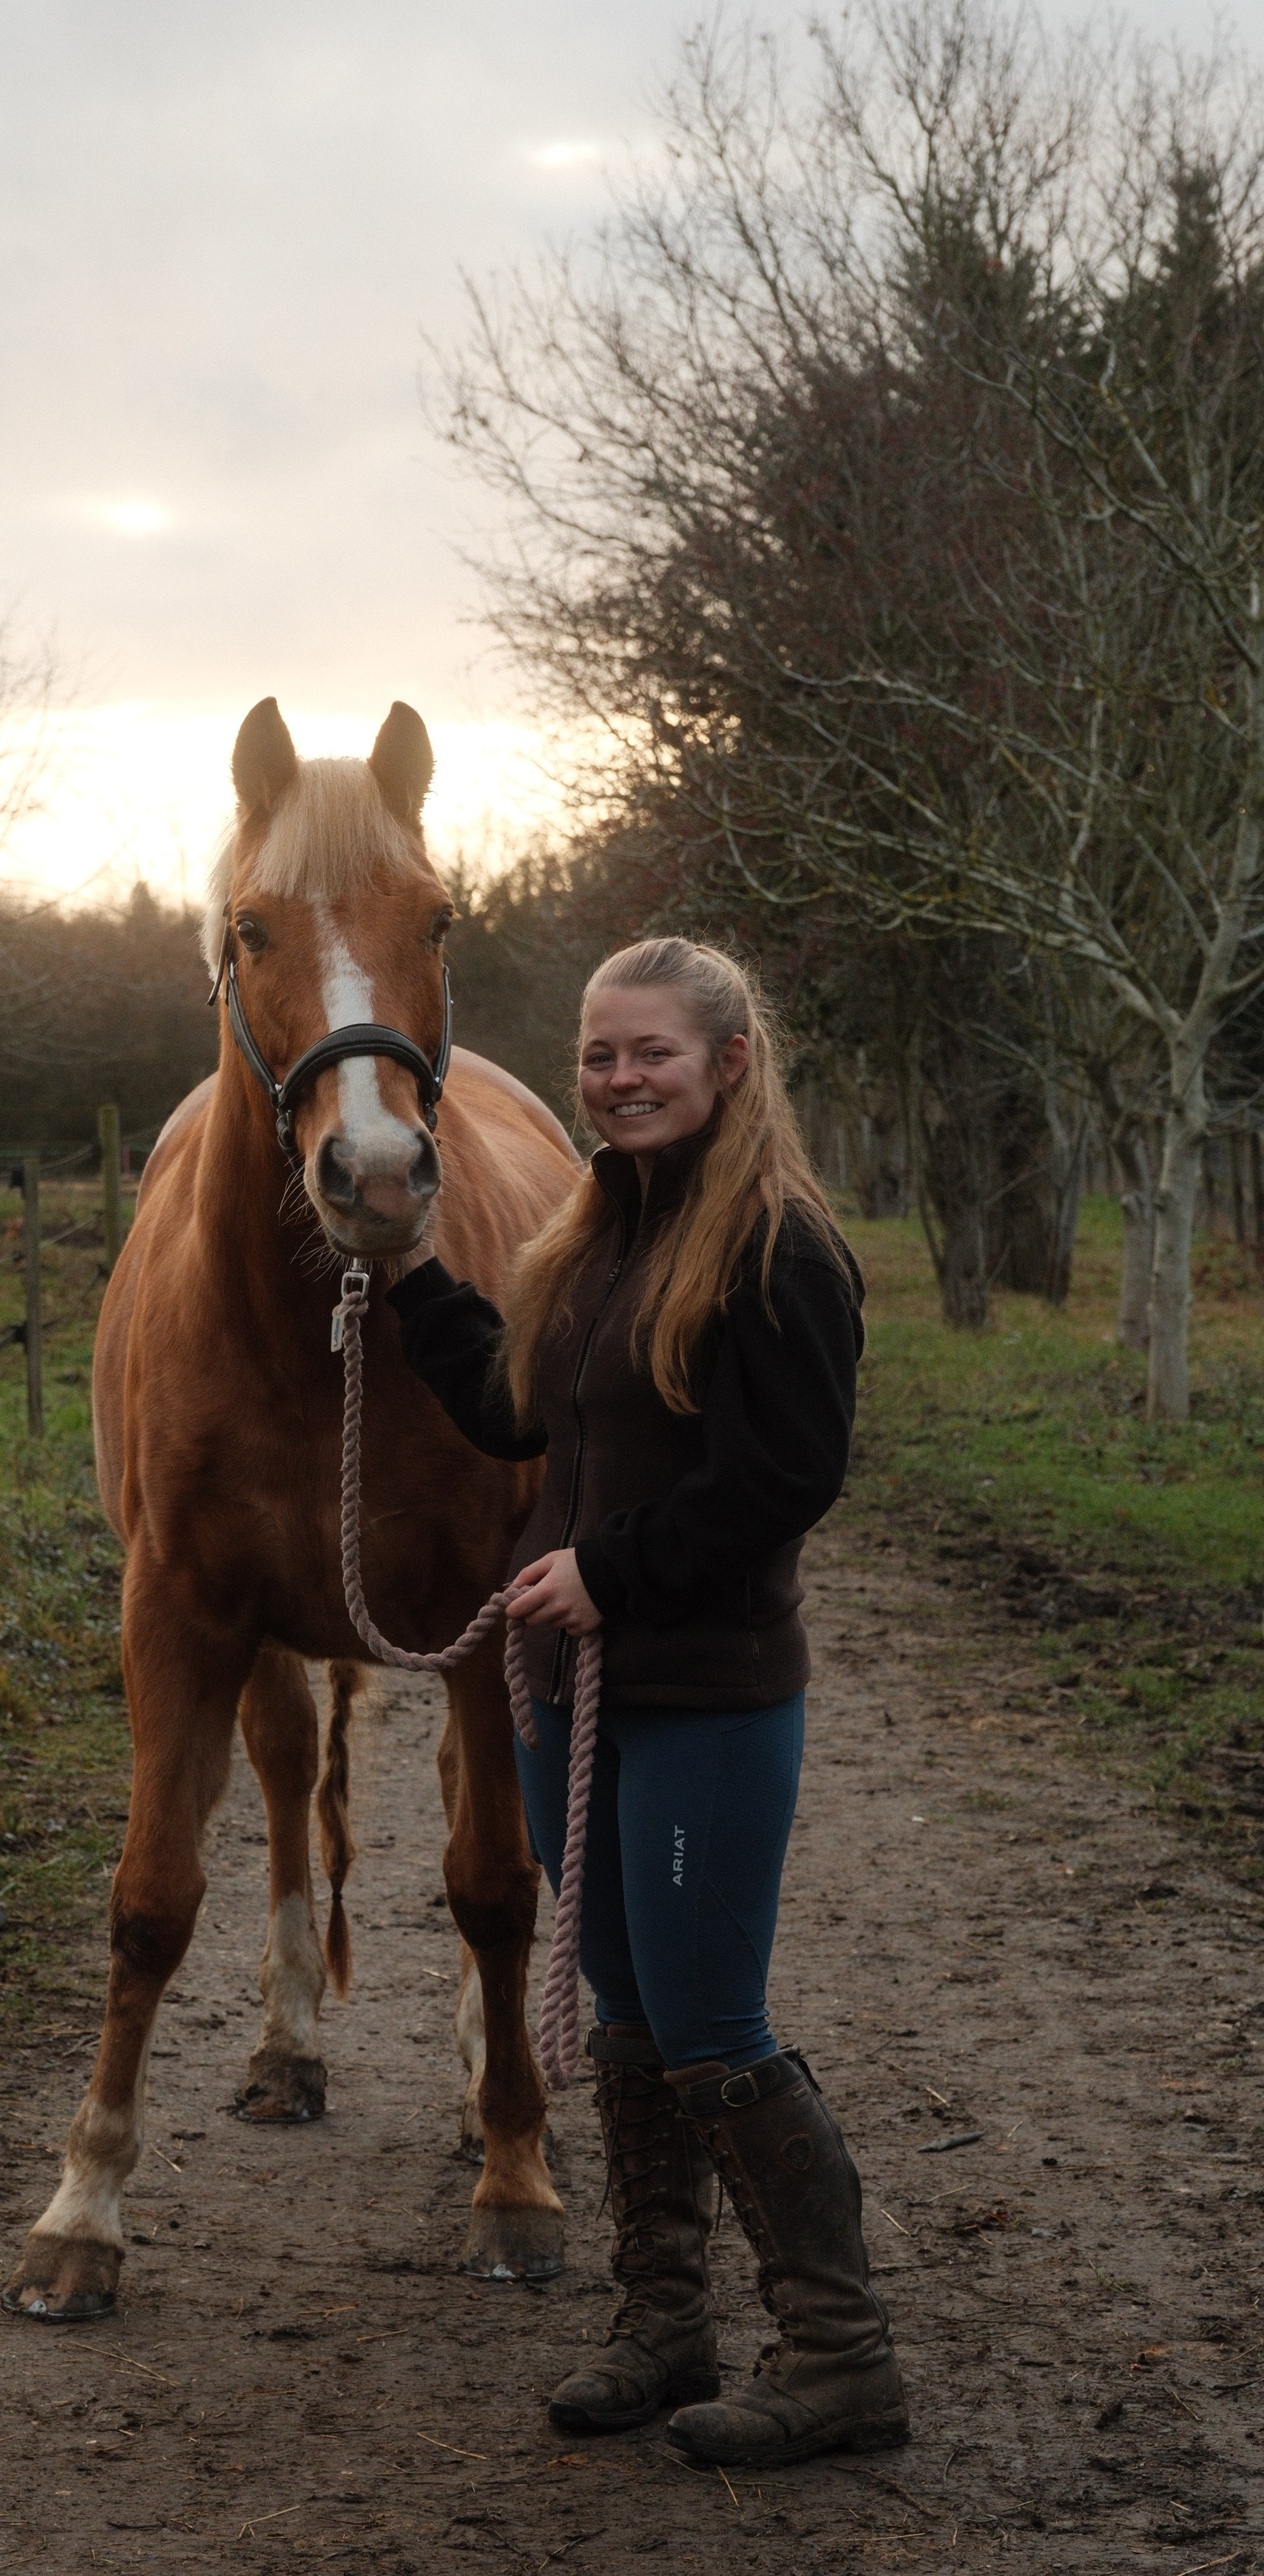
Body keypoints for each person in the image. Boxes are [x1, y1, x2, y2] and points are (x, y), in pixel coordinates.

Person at [385, 936, 907, 2468]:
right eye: (599, 1055)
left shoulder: (776, 1247)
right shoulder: (601, 1227)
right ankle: (665, 2320)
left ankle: (840, 2356)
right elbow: (515, 1411)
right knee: (623, 2018)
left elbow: (785, 1476)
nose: (618, 1079)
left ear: (729, 1062)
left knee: (710, 2023)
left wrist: (609, 1572)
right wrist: (408, 1275)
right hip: (576, 1694)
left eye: (651, 1054)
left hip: (703, 1697)